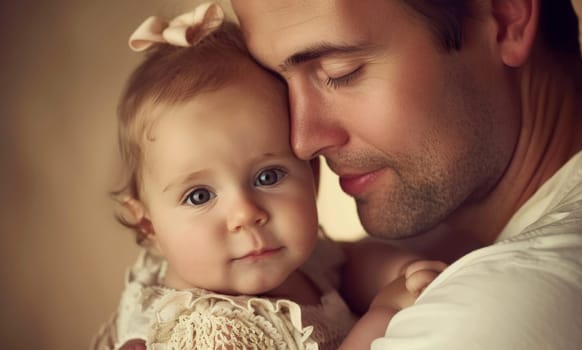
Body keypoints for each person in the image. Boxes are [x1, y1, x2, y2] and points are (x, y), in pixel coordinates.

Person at [231, 0, 582, 348]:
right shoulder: (423, 251)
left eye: (340, 71)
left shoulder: (506, 304)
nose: (302, 142)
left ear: (506, 19)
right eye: (278, 86)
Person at [92, 3, 447, 350]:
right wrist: (383, 314)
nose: (246, 213)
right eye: (199, 196)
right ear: (149, 227)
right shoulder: (212, 334)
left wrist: (401, 271)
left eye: (268, 176)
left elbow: (347, 264)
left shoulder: (295, 260)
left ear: (311, 176)